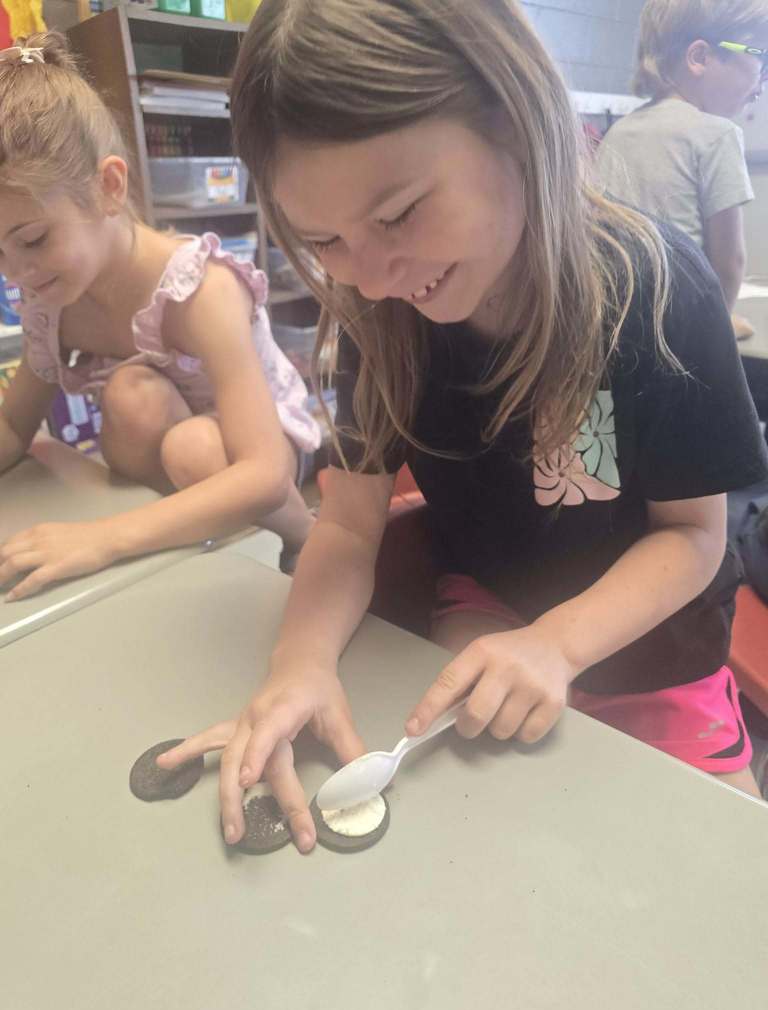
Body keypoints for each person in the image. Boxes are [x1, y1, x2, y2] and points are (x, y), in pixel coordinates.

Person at [159, 0, 768, 852]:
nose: (370, 278)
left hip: (653, 648)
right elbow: (347, 524)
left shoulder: (655, 292)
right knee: (481, 846)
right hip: (493, 604)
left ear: (514, 124)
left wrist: (557, 646)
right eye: (325, 239)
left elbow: (693, 540)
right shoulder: (381, 318)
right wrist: (298, 664)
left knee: (713, 861)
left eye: (400, 213)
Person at [0, 33, 321, 598]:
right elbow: (12, 426)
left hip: (263, 449)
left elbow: (264, 471)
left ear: (108, 187)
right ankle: (189, 533)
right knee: (130, 395)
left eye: (33, 239)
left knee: (192, 449)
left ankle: (304, 537)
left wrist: (104, 538)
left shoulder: (201, 290)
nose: (17, 273)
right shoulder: (52, 302)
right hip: (167, 437)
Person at [596, 0, 768, 314]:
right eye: (761, 56)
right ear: (700, 57)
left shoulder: (618, 132)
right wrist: (721, 332)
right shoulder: (718, 134)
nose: (762, 80)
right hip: (682, 328)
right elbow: (730, 263)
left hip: (614, 320)